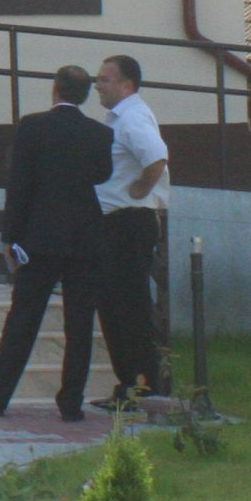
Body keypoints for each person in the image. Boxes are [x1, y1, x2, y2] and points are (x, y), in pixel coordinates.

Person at [0, 65, 115, 422]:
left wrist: (10, 235)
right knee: (80, 325)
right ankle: (71, 403)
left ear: (55, 89)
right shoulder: (100, 133)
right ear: (85, 95)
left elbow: (19, 183)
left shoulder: (33, 126)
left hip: (39, 238)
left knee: (22, 320)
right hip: (85, 238)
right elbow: (102, 175)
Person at [91, 52, 170, 405]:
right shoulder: (120, 117)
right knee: (113, 304)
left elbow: (156, 158)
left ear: (126, 85)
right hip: (118, 222)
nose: (98, 85)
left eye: (104, 80)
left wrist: (139, 189)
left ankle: (143, 384)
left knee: (128, 305)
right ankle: (129, 384)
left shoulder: (132, 118)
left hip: (128, 222)